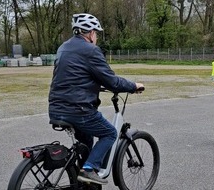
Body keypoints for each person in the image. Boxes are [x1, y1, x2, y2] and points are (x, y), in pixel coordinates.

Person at [48, 13, 144, 185]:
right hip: (79, 109)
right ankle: (88, 169)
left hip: (56, 108)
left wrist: (93, 85)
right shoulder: (91, 50)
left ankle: (84, 182)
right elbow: (112, 81)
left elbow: (74, 77)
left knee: (86, 142)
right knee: (109, 133)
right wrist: (133, 86)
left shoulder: (63, 47)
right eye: (96, 33)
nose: (97, 37)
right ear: (91, 33)